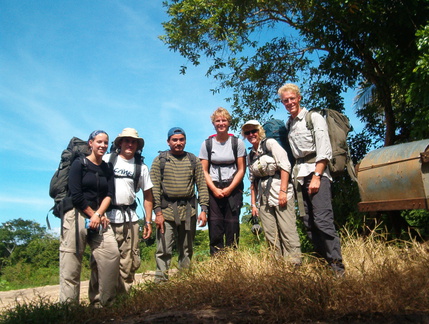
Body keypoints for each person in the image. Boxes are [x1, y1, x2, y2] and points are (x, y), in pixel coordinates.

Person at [278, 83, 345, 274]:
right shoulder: (289, 124)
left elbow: (324, 149)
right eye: (285, 100)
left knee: (323, 220)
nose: (289, 103)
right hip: (300, 176)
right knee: (308, 223)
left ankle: (337, 268)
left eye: (292, 98)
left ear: (299, 98)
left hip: (316, 173)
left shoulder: (313, 117)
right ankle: (322, 266)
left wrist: (317, 175)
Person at [59, 130, 120, 307]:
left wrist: (99, 214)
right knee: (71, 264)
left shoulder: (107, 167)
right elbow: (76, 195)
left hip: (99, 216)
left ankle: (105, 304)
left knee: (111, 254)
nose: (102, 146)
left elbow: (110, 194)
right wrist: (92, 214)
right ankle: (69, 310)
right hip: (76, 214)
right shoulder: (80, 164)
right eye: (99, 142)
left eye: (105, 143)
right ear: (90, 144)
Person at [150, 127, 209, 282]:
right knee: (163, 249)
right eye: (174, 140)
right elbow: (154, 187)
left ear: (185, 141)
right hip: (166, 211)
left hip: (189, 210)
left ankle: (185, 283)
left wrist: (204, 209)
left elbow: (201, 185)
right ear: (168, 141)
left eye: (181, 139)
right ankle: (160, 285)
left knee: (187, 249)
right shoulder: (160, 160)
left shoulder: (193, 160)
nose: (178, 143)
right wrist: (158, 213)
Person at [102, 128, 153, 294]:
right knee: (103, 262)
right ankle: (99, 302)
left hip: (130, 219)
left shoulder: (141, 167)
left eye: (133, 141)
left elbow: (148, 196)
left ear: (138, 145)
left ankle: (123, 300)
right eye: (126, 141)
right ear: (120, 143)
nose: (130, 144)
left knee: (128, 262)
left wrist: (147, 221)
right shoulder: (107, 160)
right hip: (106, 219)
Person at [241, 120, 301, 263]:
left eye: (253, 131)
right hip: (263, 198)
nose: (251, 135)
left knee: (287, 230)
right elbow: (252, 181)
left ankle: (295, 265)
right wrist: (253, 205)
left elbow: (285, 166)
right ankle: (278, 268)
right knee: (270, 233)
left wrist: (283, 191)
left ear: (260, 131)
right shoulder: (250, 155)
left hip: (279, 190)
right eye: (247, 133)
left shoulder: (271, 144)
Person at [199, 108, 246, 255]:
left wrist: (230, 188)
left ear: (229, 122)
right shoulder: (207, 144)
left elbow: (241, 169)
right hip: (214, 188)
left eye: (224, 120)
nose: (221, 123)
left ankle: (232, 261)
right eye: (218, 121)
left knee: (232, 226)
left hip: (233, 188)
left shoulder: (237, 143)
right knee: (215, 226)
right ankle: (217, 262)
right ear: (213, 123)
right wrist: (214, 189)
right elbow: (204, 171)